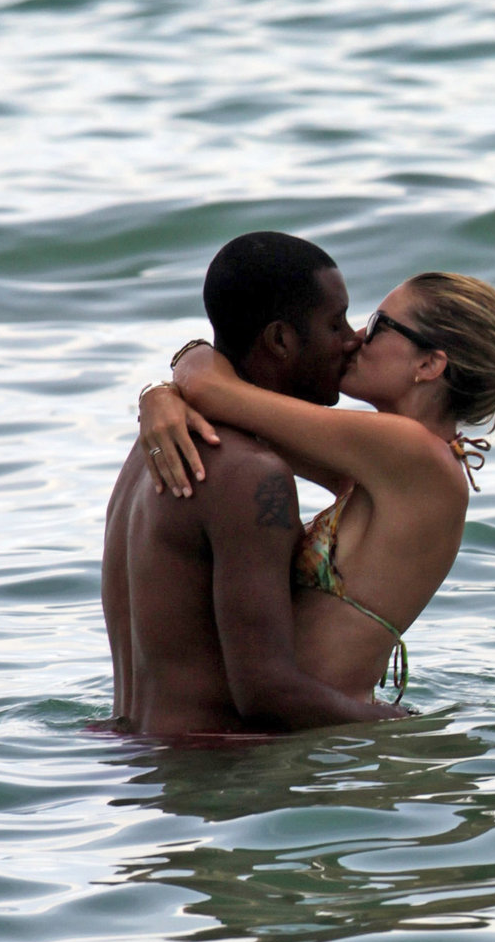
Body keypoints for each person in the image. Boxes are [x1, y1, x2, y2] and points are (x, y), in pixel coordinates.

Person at [138, 269, 495, 707]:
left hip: (322, 742)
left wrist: (160, 390)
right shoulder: (396, 466)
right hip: (329, 741)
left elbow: (209, 388)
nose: (356, 338)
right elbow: (230, 415)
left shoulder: (411, 453)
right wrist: (164, 395)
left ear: (429, 364)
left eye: (378, 326)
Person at [103, 232, 408, 736]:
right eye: (335, 323)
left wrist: (163, 385)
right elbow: (268, 695)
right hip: (215, 781)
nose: (352, 338)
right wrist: (406, 724)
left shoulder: (154, 444)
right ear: (281, 340)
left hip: (131, 754)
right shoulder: (251, 474)